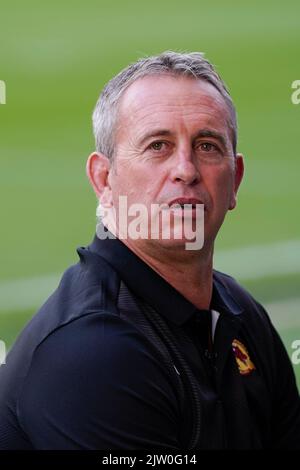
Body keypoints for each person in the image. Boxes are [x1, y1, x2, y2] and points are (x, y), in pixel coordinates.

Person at [0, 51, 299, 450]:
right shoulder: (94, 352)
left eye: (207, 146)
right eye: (158, 145)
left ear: (236, 181)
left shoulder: (240, 314)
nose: (186, 170)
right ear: (104, 180)